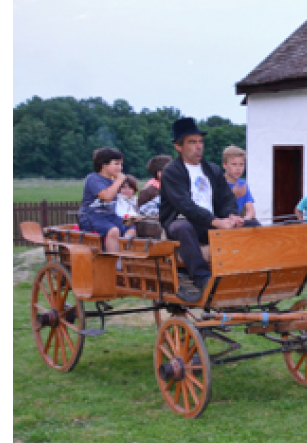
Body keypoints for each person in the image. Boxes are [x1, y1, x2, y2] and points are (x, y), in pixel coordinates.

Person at [159, 117, 255, 303]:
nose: (199, 146)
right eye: (192, 142)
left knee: (252, 224)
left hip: (211, 224)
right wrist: (215, 221)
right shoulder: (172, 172)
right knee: (183, 227)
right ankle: (202, 279)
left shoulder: (211, 169)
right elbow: (184, 205)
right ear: (179, 147)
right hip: (184, 223)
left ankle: (253, 269)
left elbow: (226, 198)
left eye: (200, 142)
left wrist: (232, 216)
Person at [77, 147, 137, 252]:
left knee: (131, 225)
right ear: (104, 165)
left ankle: (124, 251)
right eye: (116, 164)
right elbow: (107, 196)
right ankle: (113, 263)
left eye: (121, 164)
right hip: (91, 216)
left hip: (109, 216)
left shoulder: (112, 180)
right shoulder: (93, 178)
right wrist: (118, 181)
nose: (120, 168)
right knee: (113, 230)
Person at [221, 145, 259, 224]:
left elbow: (251, 211)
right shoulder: (218, 183)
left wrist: (244, 220)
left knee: (255, 223)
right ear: (224, 165)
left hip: (238, 222)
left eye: (241, 164)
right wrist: (233, 194)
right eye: (234, 164)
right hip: (222, 221)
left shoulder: (243, 184)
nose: (238, 168)